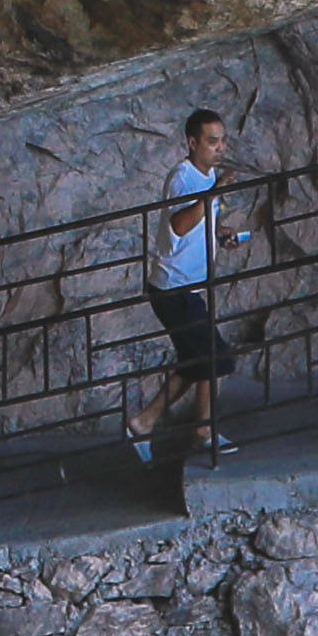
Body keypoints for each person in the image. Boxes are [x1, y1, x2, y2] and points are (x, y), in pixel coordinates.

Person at [128, 109, 240, 469]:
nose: (220, 147)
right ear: (193, 143)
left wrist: (220, 234)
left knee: (196, 364)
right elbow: (178, 223)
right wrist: (215, 193)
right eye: (212, 141)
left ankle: (143, 422)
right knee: (216, 357)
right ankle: (203, 431)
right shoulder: (183, 178)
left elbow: (199, 222)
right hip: (173, 288)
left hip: (188, 287)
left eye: (222, 140)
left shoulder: (205, 178)